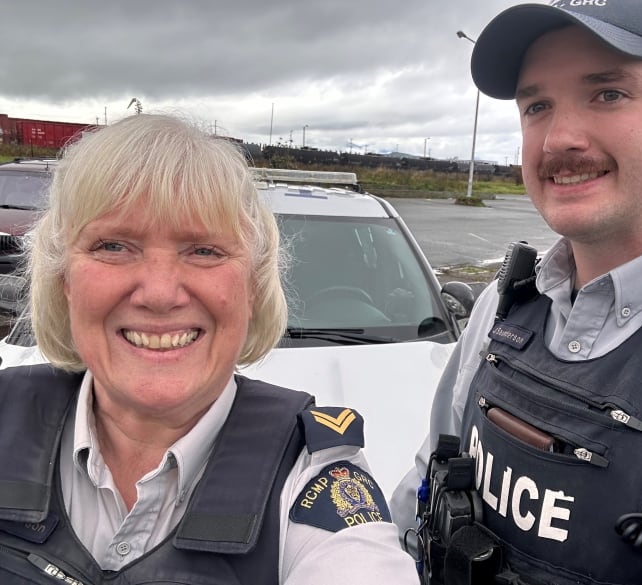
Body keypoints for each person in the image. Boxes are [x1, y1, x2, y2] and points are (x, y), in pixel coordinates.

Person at [390, 1, 642, 584]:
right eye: (537, 105)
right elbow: (424, 488)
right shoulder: (504, 307)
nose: (558, 139)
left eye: (608, 94)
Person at [0, 114, 419, 585]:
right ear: (64, 281)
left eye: (204, 251)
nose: (159, 293)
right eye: (114, 246)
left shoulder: (312, 475)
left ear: (253, 287)